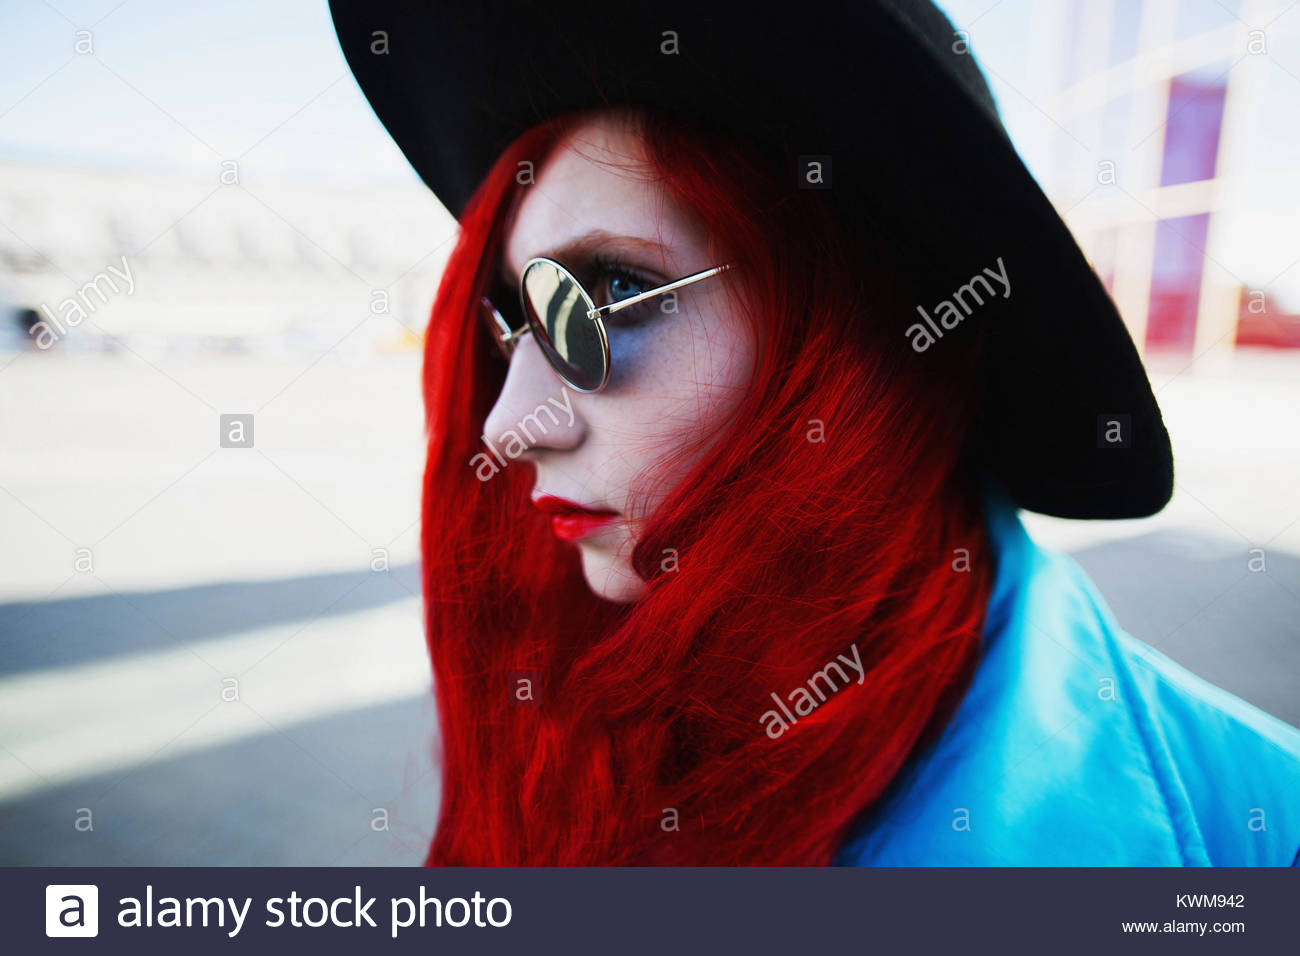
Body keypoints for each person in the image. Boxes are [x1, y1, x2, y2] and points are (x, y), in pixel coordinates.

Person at [329, 0, 1300, 866]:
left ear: (868, 326)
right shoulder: (575, 714)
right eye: (513, 321)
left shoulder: (1260, 836)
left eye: (608, 295)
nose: (507, 422)